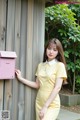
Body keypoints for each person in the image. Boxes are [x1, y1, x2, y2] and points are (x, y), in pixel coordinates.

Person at [15, 38, 67, 120]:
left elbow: (57, 88)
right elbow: (37, 85)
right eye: (49, 48)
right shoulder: (40, 65)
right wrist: (21, 79)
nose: (51, 52)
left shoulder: (59, 66)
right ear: (46, 49)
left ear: (58, 52)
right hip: (39, 102)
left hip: (52, 104)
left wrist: (46, 106)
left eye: (54, 50)